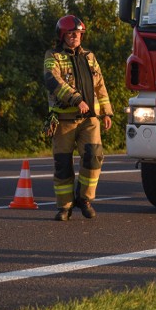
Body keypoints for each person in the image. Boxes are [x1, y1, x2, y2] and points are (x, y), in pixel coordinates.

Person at [43, 15, 113, 221]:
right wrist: (76, 100)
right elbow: (51, 81)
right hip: (64, 120)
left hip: (90, 120)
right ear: (62, 35)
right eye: (71, 34)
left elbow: (100, 85)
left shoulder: (90, 56)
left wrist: (107, 111)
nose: (75, 37)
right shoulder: (52, 55)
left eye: (79, 34)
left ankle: (84, 199)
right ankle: (64, 207)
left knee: (93, 158)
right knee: (63, 164)